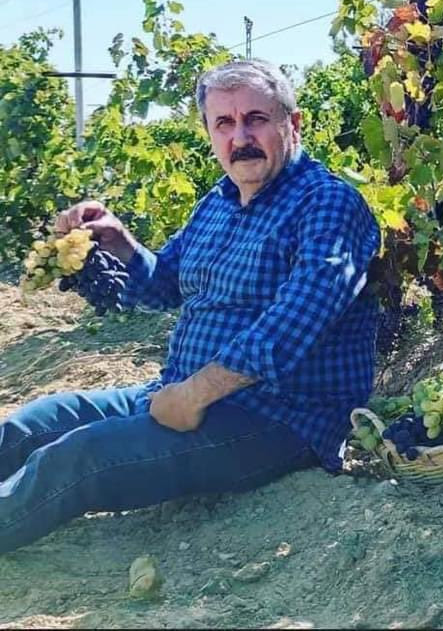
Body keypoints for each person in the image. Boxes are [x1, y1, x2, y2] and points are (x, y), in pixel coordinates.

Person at [0, 59, 381, 553]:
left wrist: (194, 395)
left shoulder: (328, 203)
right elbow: (166, 284)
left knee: (79, 457)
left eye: (256, 119)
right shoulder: (217, 204)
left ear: (293, 123)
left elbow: (296, 321)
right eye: (224, 123)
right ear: (209, 132)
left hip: (277, 420)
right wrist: (121, 244)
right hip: (181, 392)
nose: (240, 137)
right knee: (34, 423)